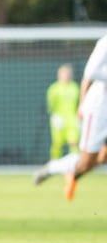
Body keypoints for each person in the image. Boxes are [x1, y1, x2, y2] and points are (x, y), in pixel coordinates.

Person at [33, 35, 107, 201]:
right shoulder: (105, 42)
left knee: (103, 157)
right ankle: (54, 167)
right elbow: (91, 72)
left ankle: (73, 176)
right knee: (85, 163)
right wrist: (82, 102)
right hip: (98, 111)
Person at [45, 64, 80, 159]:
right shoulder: (53, 89)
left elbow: (79, 103)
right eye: (64, 74)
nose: (66, 76)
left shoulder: (75, 87)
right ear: (59, 75)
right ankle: (54, 163)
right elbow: (50, 106)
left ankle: (74, 165)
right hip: (59, 120)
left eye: (68, 74)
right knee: (57, 144)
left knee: (74, 142)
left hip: (72, 120)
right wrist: (54, 117)